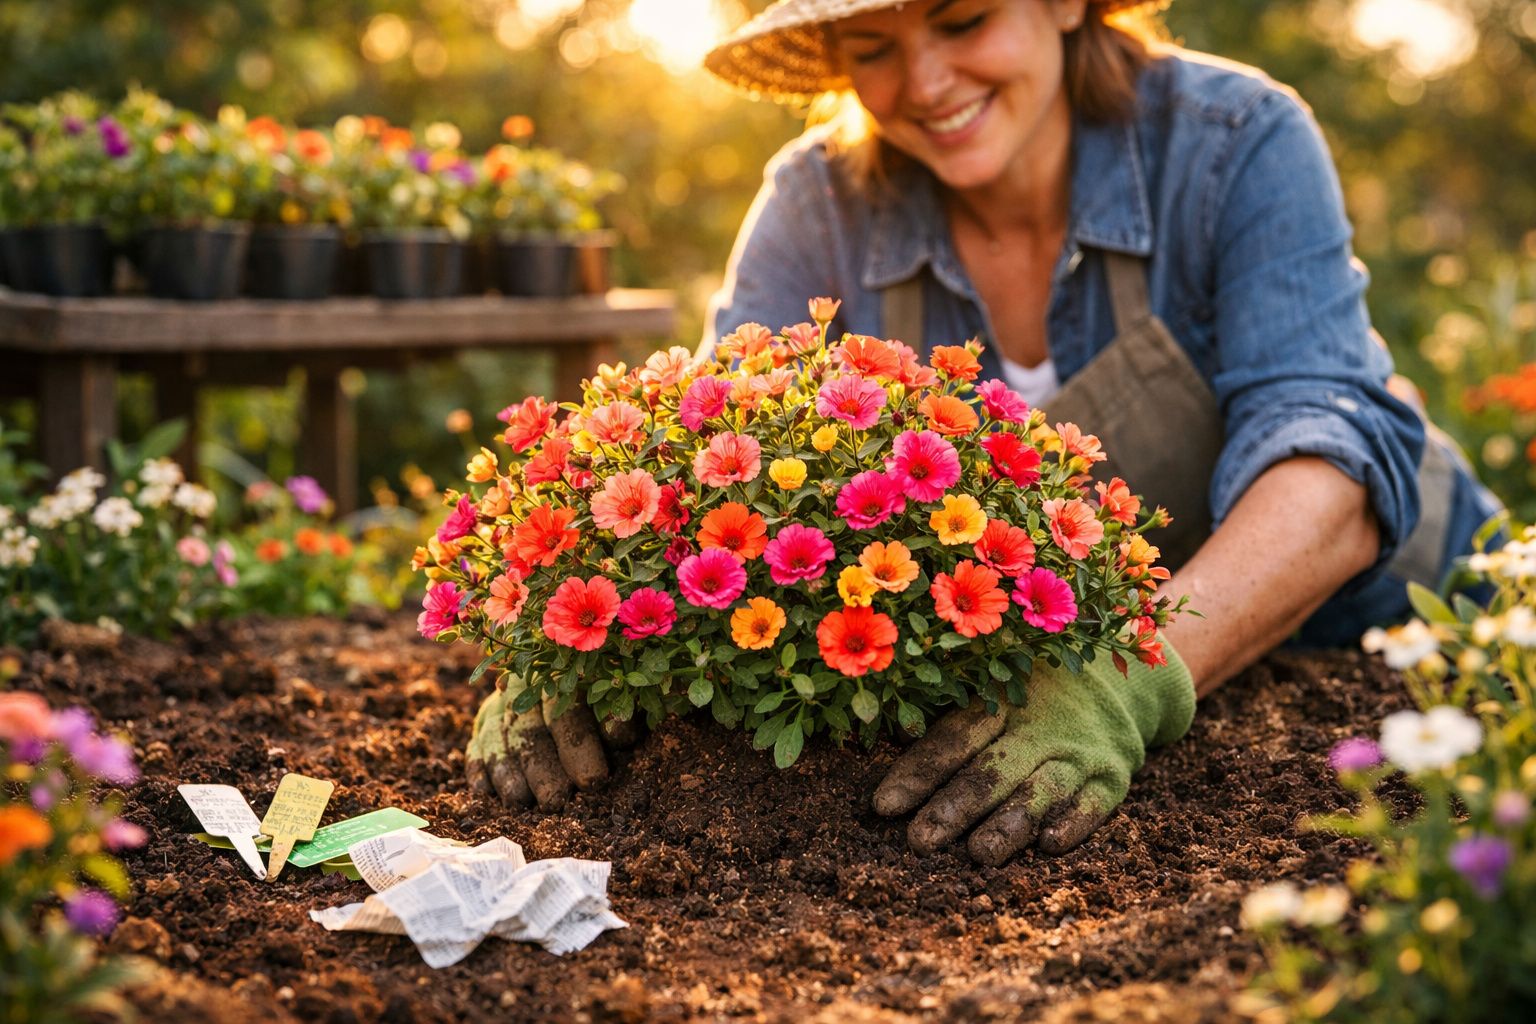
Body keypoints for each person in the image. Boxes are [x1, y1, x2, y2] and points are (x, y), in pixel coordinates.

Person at [468, 0, 1502, 865]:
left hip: (1408, 628)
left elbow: (1328, 463)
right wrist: (571, 627)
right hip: (1107, 674)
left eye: (963, 20)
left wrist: (1127, 675)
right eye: (873, 46)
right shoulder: (818, 200)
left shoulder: (1234, 142)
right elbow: (705, 452)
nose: (925, 82)